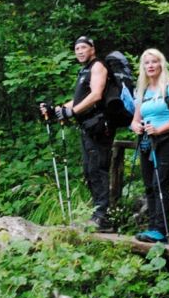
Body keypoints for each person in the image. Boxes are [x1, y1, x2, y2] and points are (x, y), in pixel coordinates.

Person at [40, 35, 115, 232]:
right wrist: (56, 110)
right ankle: (98, 214)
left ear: (92, 48)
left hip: (100, 127)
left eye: (83, 47)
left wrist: (71, 112)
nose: (80, 51)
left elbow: (96, 95)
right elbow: (78, 100)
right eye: (76, 49)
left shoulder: (98, 66)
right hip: (89, 127)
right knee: (89, 170)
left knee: (97, 169)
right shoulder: (85, 70)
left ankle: (103, 217)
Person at [129, 49, 169, 243]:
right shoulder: (142, 91)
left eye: (154, 62)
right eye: (147, 63)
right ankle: (152, 228)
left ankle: (162, 231)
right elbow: (135, 120)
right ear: (143, 67)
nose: (150, 65)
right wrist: (136, 127)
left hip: (166, 141)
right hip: (146, 141)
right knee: (148, 186)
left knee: (160, 184)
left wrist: (159, 130)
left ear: (161, 64)